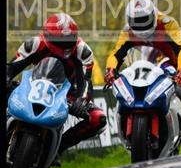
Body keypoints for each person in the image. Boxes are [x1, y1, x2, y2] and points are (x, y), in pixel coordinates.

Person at [6, 13, 107, 159]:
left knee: (98, 119)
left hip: (65, 92)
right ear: (46, 35)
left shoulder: (83, 51)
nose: (64, 44)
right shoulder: (35, 43)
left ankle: (58, 149)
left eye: (69, 39)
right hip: (32, 85)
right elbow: (11, 67)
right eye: (59, 39)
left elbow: (85, 82)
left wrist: (82, 101)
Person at [104, 0, 181, 144]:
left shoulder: (167, 23)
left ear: (153, 15)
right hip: (143, 65)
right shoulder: (127, 31)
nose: (141, 24)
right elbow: (116, 53)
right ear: (129, 20)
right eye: (137, 21)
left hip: (171, 64)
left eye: (145, 19)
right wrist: (110, 70)